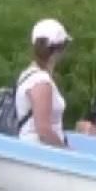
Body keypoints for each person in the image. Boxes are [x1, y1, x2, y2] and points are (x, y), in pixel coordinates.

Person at [16, 19, 71, 148]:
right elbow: (44, 131)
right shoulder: (41, 81)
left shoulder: (28, 74)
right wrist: (66, 151)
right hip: (39, 151)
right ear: (59, 49)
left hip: (32, 148)